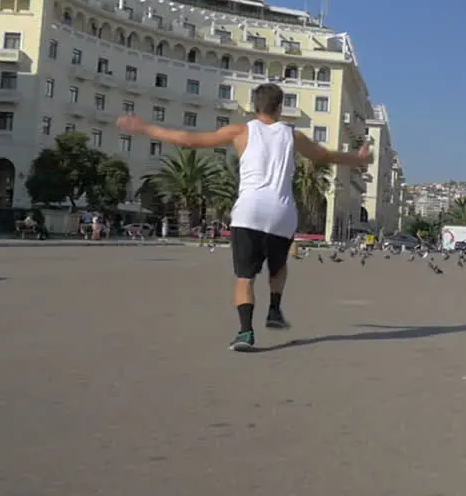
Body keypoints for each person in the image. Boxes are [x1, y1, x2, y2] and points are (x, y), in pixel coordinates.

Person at [118, 83, 372, 352]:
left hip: (249, 211)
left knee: (245, 277)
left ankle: (245, 333)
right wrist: (358, 158)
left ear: (254, 106)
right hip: (282, 213)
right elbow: (324, 156)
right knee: (278, 266)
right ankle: (274, 309)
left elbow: (190, 140)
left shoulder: (241, 130)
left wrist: (145, 128)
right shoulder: (292, 135)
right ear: (280, 107)